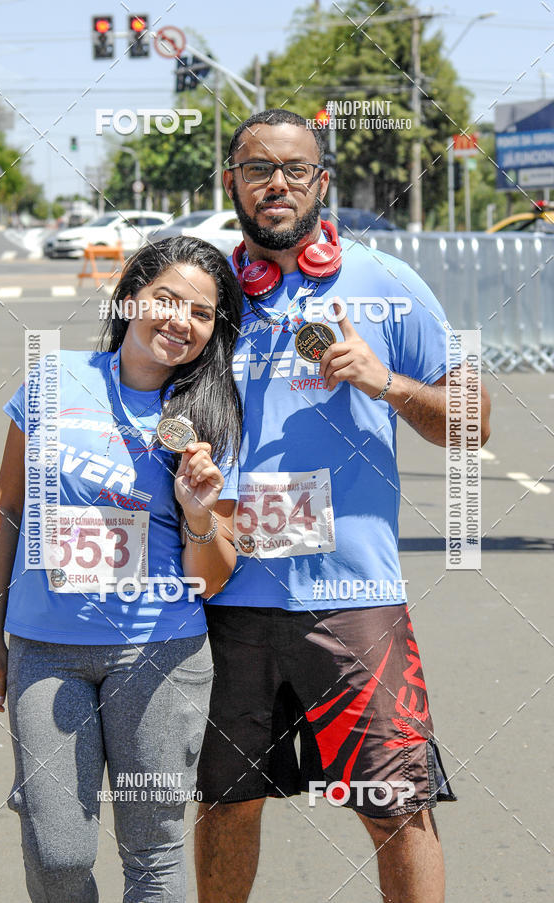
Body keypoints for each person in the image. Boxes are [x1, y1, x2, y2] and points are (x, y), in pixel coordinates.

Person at [194, 110, 492, 903]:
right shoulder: (203, 294)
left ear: (323, 182)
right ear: (233, 183)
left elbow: (473, 422)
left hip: (353, 601)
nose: (277, 183)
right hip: (227, 598)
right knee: (226, 805)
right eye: (258, 169)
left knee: (399, 808)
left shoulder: (385, 283)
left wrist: (385, 382)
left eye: (295, 169)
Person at [0, 236, 243, 903]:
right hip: (46, 648)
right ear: (130, 299)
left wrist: (198, 511)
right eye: (167, 299)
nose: (181, 320)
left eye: (202, 313)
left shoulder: (207, 420)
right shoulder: (54, 379)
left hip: (161, 652)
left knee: (154, 850)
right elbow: (7, 507)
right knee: (57, 849)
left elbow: (211, 576)